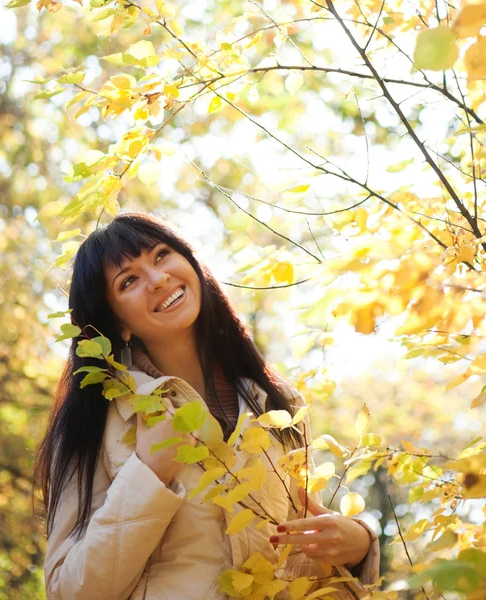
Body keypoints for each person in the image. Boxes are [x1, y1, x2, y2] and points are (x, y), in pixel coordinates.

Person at [35, 212, 380, 600]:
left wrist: (359, 547)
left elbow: (297, 558)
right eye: (128, 280)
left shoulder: (279, 403)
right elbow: (67, 591)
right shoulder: (98, 420)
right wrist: (147, 475)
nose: (158, 279)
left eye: (162, 255)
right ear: (116, 324)